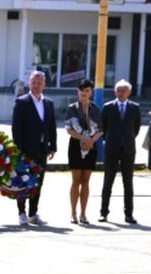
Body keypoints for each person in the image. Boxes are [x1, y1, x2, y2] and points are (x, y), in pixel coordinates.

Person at [11, 70, 57, 226]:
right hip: (25, 150)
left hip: (42, 149)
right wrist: (19, 149)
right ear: (29, 84)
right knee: (23, 181)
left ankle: (33, 213)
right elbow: (16, 128)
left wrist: (53, 146)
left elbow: (52, 126)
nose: (36, 86)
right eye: (33, 83)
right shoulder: (22, 102)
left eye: (39, 83)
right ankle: (21, 213)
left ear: (44, 85)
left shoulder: (48, 103)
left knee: (38, 182)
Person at [99, 79, 141, 225]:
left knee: (128, 183)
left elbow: (136, 129)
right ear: (115, 92)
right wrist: (112, 140)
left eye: (124, 90)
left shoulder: (134, 108)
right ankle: (104, 212)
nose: (121, 93)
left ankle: (128, 214)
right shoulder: (108, 107)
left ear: (129, 92)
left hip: (128, 150)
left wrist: (126, 139)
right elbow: (103, 128)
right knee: (108, 182)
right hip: (111, 149)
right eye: (118, 90)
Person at [65, 79, 102, 225]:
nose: (83, 93)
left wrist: (91, 140)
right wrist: (83, 138)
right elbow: (68, 129)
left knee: (86, 181)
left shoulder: (96, 109)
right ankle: (73, 213)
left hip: (91, 146)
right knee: (76, 180)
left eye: (87, 91)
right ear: (77, 92)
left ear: (91, 93)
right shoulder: (72, 108)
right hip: (75, 144)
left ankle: (83, 213)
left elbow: (101, 130)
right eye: (81, 90)